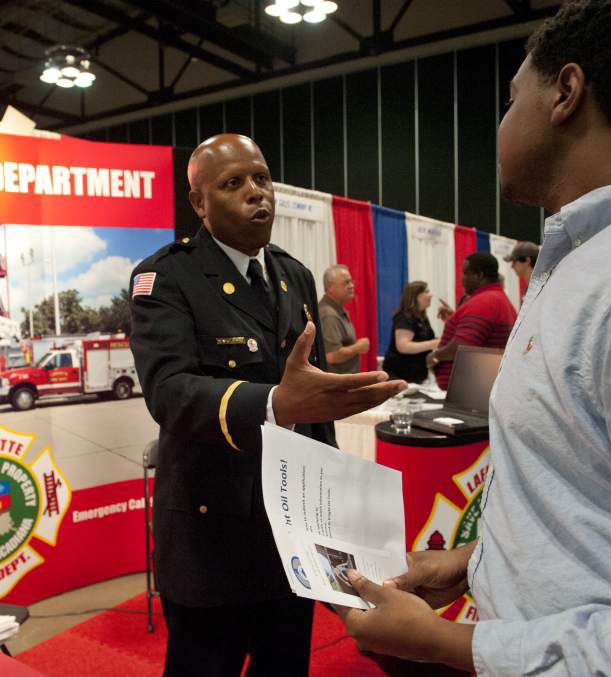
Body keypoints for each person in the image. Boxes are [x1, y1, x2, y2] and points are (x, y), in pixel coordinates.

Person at [336, 1, 611, 674]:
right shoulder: (585, 262)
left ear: (565, 94)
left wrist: (450, 645)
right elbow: (584, 498)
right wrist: (470, 563)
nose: (501, 124)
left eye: (512, 99)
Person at [128, 133, 405, 677]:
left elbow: (313, 405)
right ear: (200, 202)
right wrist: (275, 402)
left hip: (291, 539)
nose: (258, 194)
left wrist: (333, 523)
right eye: (234, 184)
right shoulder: (167, 278)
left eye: (261, 178)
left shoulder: (293, 275)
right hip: (212, 538)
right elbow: (169, 393)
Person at [427, 252, 517, 390]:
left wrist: (435, 356)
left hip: (467, 393)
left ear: (479, 275)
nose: (462, 279)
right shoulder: (498, 299)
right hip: (478, 389)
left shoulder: (484, 302)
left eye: (465, 273)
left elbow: (462, 347)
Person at [381, 281, 439, 383]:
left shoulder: (422, 318)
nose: (430, 295)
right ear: (416, 296)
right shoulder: (404, 317)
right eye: (426, 291)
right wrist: (434, 343)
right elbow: (403, 346)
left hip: (416, 376)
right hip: (400, 376)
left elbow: (424, 341)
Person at [319, 264, 370, 374]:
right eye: (346, 283)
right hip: (337, 386)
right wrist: (358, 347)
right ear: (330, 287)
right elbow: (331, 356)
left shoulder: (337, 310)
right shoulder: (328, 314)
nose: (351, 286)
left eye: (351, 282)